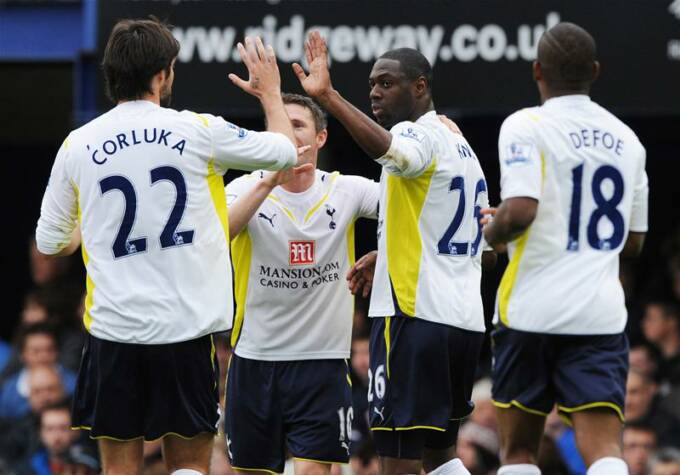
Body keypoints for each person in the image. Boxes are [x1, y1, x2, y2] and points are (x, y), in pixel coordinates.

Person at [35, 17, 304, 475]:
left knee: (120, 469)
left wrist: (96, 227)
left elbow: (51, 241)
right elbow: (284, 151)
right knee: (189, 468)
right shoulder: (196, 129)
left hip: (114, 335)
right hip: (186, 329)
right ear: (162, 75)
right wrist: (270, 94)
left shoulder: (77, 146)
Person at [294, 32, 491, 475]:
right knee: (441, 456)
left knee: (396, 461)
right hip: (460, 321)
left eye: (387, 83)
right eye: (372, 84)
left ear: (420, 86)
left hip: (412, 316)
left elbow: (392, 151)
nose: (376, 92)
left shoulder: (414, 133)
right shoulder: (463, 148)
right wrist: (386, 255)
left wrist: (328, 95)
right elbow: (475, 240)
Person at [480, 22, 648, 475]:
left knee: (517, 454)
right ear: (594, 71)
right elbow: (633, 242)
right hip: (598, 315)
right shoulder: (628, 140)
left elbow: (520, 212)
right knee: (606, 454)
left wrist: (488, 235)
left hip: (529, 313)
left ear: (537, 70)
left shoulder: (525, 125)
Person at [224, 92, 379, 475]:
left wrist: (385, 253)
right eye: (281, 126)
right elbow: (217, 232)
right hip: (255, 360)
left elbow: (412, 208)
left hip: (321, 363)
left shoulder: (347, 190)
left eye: (298, 126)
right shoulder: (245, 187)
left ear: (320, 138)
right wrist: (269, 182)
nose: (289, 135)